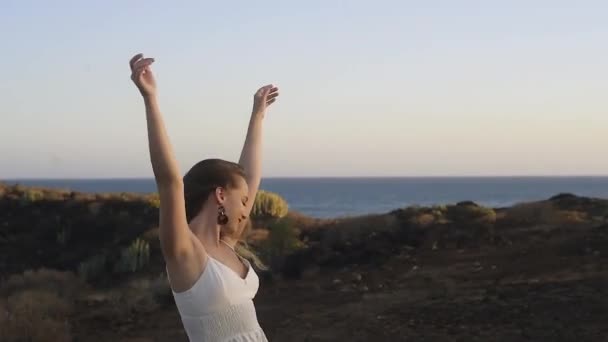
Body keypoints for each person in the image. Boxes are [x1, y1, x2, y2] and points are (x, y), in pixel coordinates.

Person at [129, 53, 279, 341]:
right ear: (220, 195)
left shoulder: (227, 245)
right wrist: (150, 99)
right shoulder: (185, 252)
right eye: (243, 198)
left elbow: (249, 177)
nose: (248, 205)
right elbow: (170, 182)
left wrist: (258, 116)